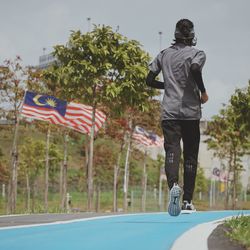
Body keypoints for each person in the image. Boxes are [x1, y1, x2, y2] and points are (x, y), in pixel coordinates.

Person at [146, 19, 208, 216]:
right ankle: (187, 201)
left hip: (170, 113)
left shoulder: (164, 54)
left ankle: (173, 186)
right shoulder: (197, 53)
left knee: (172, 151)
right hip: (190, 113)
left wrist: (168, 86)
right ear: (192, 34)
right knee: (190, 155)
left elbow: (149, 80)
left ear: (175, 34)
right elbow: (196, 69)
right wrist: (203, 92)